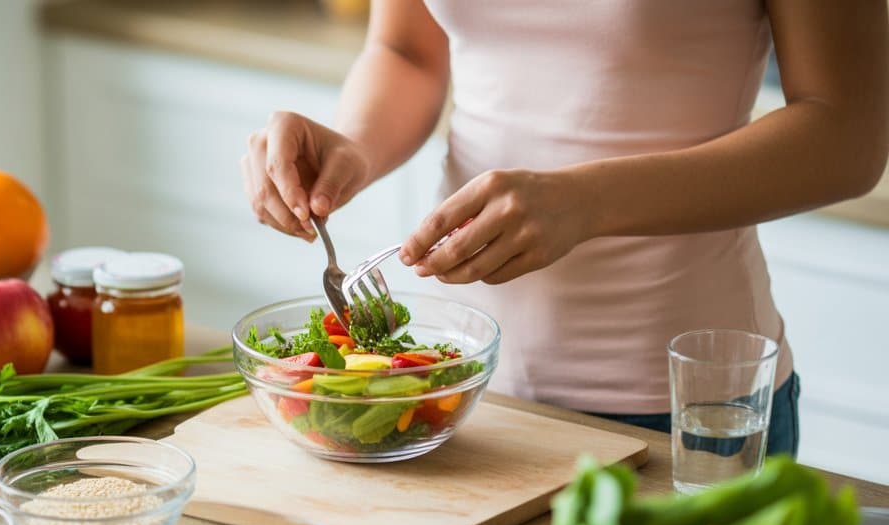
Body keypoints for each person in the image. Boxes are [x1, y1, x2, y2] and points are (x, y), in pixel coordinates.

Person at [241, 1, 888, 457]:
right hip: (457, 388)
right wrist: (352, 144)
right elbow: (406, 48)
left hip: (680, 413)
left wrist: (587, 202)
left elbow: (849, 133)